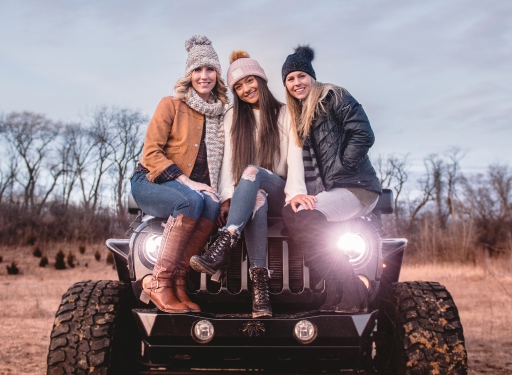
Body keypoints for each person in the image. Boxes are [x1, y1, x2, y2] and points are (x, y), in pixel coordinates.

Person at [190, 50, 305, 318]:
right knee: (257, 198)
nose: (245, 89)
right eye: (238, 87)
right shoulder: (233, 117)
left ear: (261, 80)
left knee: (254, 173)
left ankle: (225, 243)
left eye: (249, 81)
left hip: (281, 189)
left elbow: (295, 155)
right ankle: (260, 291)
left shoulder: (287, 113)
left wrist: (296, 193)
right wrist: (227, 197)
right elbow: (229, 162)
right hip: (253, 194)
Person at [280, 45, 382, 313]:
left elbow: (363, 133)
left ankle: (351, 289)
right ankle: (336, 291)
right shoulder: (301, 113)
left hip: (356, 187)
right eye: (290, 79)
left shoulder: (333, 95)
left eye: (301, 76)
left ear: (311, 77)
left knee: (303, 217)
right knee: (294, 214)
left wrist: (344, 166)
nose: (296, 82)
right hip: (333, 191)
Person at [130, 35, 227, 314]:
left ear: (217, 75)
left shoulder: (221, 115)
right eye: (197, 70)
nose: (204, 76)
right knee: (192, 201)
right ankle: (159, 282)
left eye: (209, 69)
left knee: (209, 202)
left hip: (193, 191)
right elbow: (150, 154)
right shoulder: (171, 105)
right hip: (151, 181)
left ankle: (178, 281)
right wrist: (187, 182)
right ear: (189, 75)